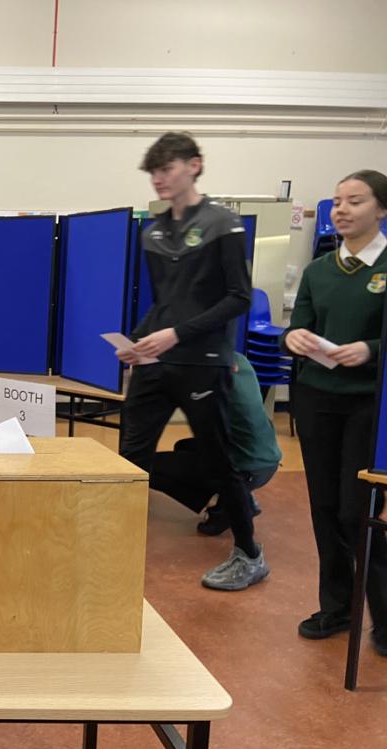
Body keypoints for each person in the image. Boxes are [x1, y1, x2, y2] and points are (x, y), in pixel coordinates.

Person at [116, 131, 265, 591]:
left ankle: (249, 554)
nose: (158, 179)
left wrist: (176, 334)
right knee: (131, 456)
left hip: (203, 361)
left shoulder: (223, 223)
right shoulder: (154, 232)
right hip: (156, 362)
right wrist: (137, 341)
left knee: (219, 461)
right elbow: (165, 302)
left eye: (167, 169)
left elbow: (238, 298)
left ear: (194, 165)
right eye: (153, 173)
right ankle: (113, 541)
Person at [282, 169, 387, 656]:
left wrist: (370, 349)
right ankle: (337, 606)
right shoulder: (320, 270)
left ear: (381, 209)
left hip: (369, 402)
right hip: (317, 398)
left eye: (356, 201)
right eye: (338, 201)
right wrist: (293, 338)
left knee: (356, 511)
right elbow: (297, 327)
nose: (342, 210)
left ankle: (383, 613)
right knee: (324, 508)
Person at [149, 352, 282, 535]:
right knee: (183, 446)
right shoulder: (238, 360)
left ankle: (229, 505)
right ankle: (238, 497)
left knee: (148, 467)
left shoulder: (207, 375)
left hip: (246, 467)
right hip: (266, 459)